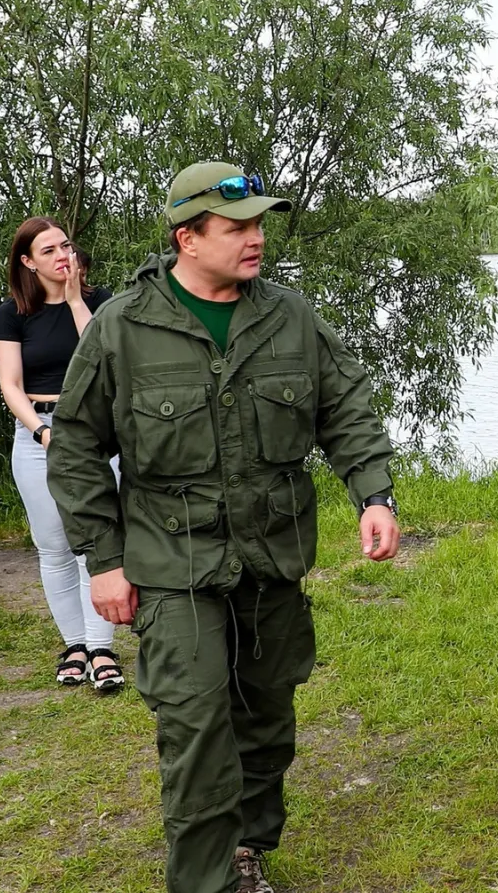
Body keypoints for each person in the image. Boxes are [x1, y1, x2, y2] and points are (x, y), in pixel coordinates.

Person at [48, 161, 401, 893]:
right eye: (237, 227)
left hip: (272, 557)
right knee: (197, 726)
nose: (256, 239)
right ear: (187, 238)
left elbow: (346, 409)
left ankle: (248, 847)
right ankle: (206, 881)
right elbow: (77, 446)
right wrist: (104, 561)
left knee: (266, 718)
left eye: (259, 224)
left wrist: (374, 495)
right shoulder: (124, 328)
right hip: (173, 563)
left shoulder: (289, 317)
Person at [0, 217, 122, 691]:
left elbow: (104, 358)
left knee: (98, 541)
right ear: (28, 262)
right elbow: (10, 384)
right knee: (54, 545)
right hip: (39, 433)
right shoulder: (13, 313)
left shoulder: (100, 301)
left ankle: (101, 648)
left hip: (95, 431)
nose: (61, 256)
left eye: (65, 246)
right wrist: (41, 435)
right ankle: (74, 643)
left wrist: (73, 301)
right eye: (48, 251)